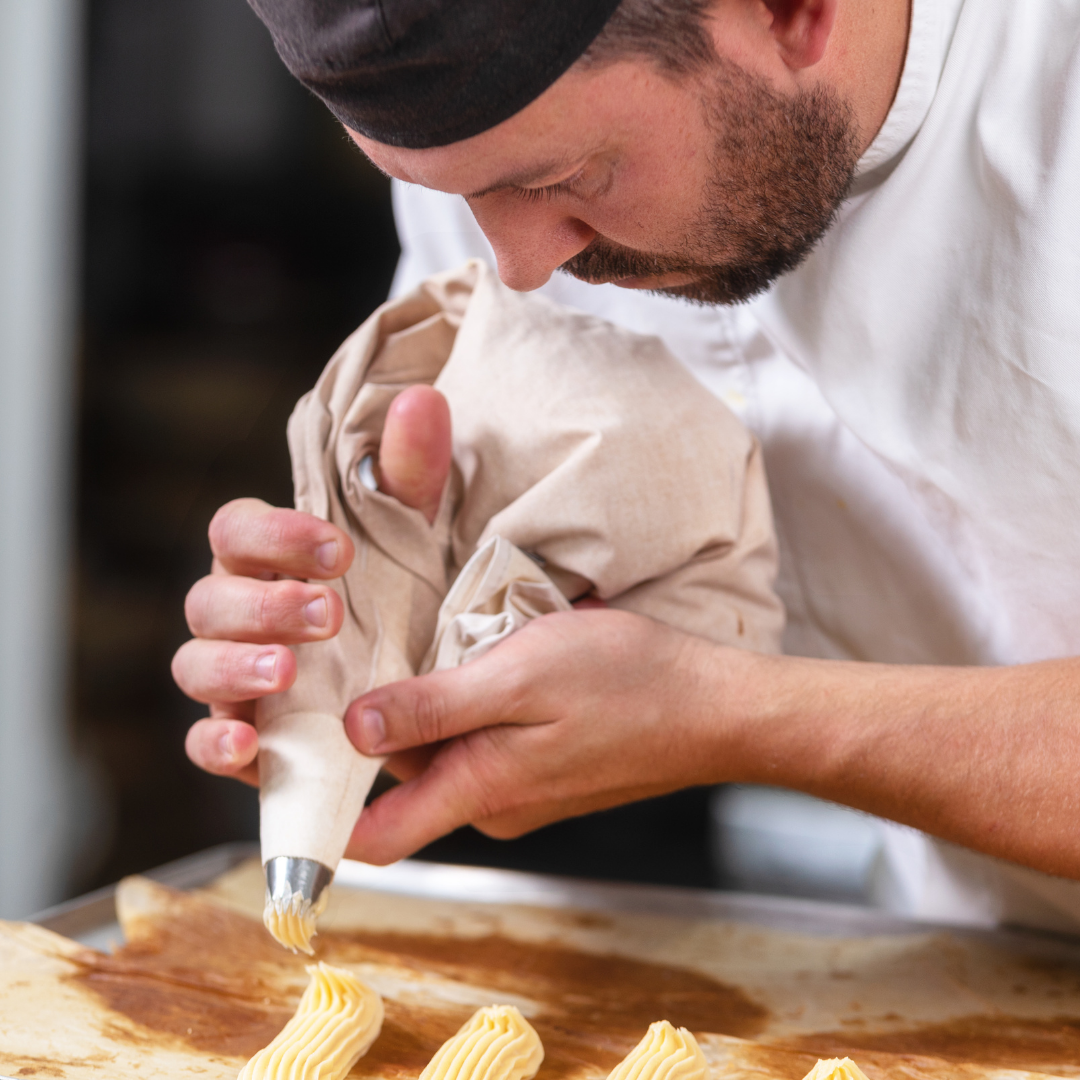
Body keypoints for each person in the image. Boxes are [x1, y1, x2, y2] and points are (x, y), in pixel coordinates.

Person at [173, 0, 1080, 927]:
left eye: (574, 178)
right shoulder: (502, 151)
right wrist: (375, 630)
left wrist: (734, 716)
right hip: (960, 954)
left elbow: (708, 698)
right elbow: (488, 530)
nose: (518, 267)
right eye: (452, 193)